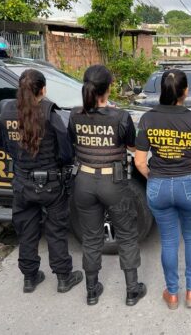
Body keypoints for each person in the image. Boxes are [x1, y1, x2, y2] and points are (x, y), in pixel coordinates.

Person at [0, 69, 83, 294]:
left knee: (26, 231)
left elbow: (7, 147)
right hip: (51, 184)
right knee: (56, 231)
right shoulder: (50, 113)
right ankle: (64, 278)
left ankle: (29, 278)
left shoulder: (6, 112)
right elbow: (65, 152)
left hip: (22, 182)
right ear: (43, 89)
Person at [135, 69, 191, 310]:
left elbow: (139, 161)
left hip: (158, 184)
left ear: (161, 91)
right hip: (189, 184)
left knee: (168, 241)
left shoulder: (148, 119)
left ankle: (172, 294)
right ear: (185, 91)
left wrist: (153, 177)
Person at [69, 65, 146, 306]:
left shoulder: (74, 115)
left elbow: (73, 142)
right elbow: (133, 148)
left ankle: (92, 291)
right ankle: (132, 290)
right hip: (113, 183)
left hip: (83, 182)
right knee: (126, 234)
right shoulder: (121, 117)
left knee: (91, 238)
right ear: (109, 88)